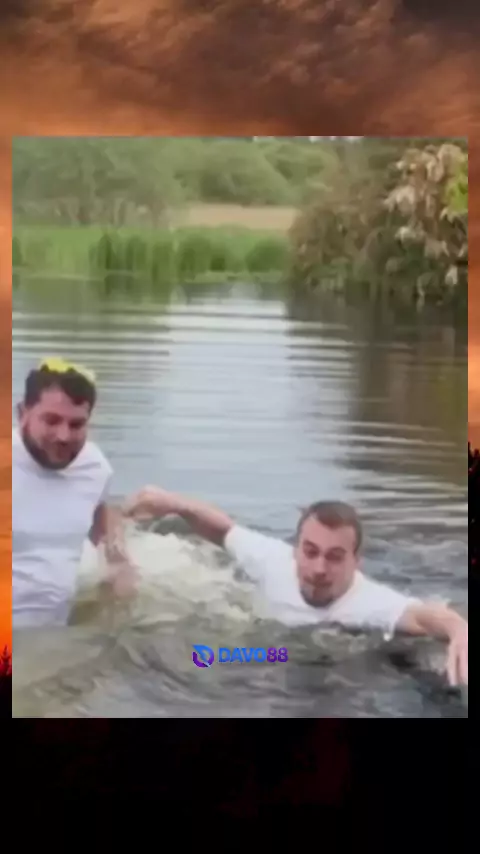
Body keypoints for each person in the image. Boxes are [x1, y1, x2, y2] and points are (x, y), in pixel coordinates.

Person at [123, 487, 468, 686]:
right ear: (296, 548)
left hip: (334, 665)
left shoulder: (367, 601)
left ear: (356, 560)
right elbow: (223, 530)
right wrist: (174, 503)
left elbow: (423, 615)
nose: (319, 568)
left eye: (335, 557)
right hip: (272, 652)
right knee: (206, 659)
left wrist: (457, 628)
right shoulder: (273, 560)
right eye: (310, 552)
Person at [13, 357, 136, 629]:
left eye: (77, 424)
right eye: (51, 420)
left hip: (56, 635)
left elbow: (100, 515)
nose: (63, 436)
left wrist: (119, 561)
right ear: (22, 413)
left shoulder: (95, 468)